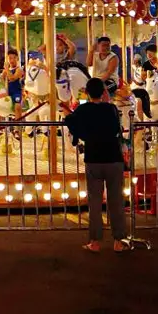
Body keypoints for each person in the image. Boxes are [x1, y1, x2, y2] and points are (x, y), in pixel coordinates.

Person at [64, 77, 129, 253]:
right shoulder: (112, 109)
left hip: (94, 158)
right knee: (116, 201)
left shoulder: (84, 109)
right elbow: (117, 129)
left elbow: (70, 121)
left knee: (94, 202)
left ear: (86, 92)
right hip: (113, 159)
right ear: (104, 92)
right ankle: (118, 240)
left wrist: (80, 132)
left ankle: (95, 241)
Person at [1, 48, 24, 120]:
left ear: (17, 58)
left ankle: (17, 128)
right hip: (8, 92)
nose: (12, 60)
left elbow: (12, 78)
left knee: (17, 107)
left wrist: (7, 69)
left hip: (17, 92)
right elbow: (1, 80)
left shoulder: (18, 69)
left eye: (14, 58)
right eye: (10, 58)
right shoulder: (5, 71)